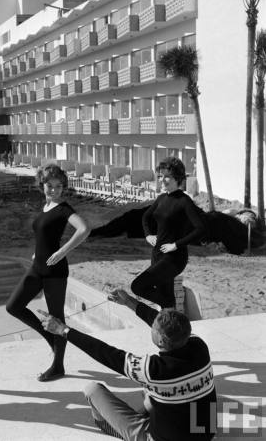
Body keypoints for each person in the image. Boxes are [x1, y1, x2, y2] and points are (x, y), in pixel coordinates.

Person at [40, 288, 216, 441]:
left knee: (92, 390)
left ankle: (111, 426)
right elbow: (165, 323)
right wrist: (129, 302)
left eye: (153, 327)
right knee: (152, 392)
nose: (151, 326)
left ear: (161, 341)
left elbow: (106, 353)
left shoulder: (153, 370)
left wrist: (63, 330)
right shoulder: (199, 346)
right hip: (205, 434)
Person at [6, 164, 90, 381]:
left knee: (57, 318)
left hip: (55, 271)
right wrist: (37, 255)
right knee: (13, 306)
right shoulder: (45, 207)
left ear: (63, 187)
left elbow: (84, 229)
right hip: (38, 267)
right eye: (49, 185)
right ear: (41, 185)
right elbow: (44, 238)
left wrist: (62, 252)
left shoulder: (63, 208)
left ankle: (58, 366)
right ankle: (48, 336)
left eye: (58, 186)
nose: (54, 190)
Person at [132, 157, 205, 308]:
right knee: (165, 293)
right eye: (161, 176)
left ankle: (169, 310)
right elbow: (145, 217)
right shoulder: (161, 198)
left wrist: (176, 245)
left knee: (137, 286)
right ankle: (170, 321)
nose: (162, 180)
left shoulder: (184, 201)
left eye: (167, 177)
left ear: (177, 178)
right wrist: (148, 235)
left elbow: (200, 229)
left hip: (174, 258)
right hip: (157, 254)